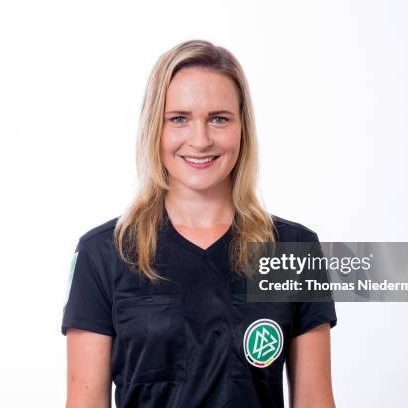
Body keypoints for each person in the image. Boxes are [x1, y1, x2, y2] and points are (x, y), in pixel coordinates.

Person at [61, 39, 337, 408]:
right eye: (179, 119)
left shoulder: (294, 251)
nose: (201, 140)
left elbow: (315, 401)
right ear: (154, 129)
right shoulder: (102, 254)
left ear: (243, 130)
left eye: (219, 119)